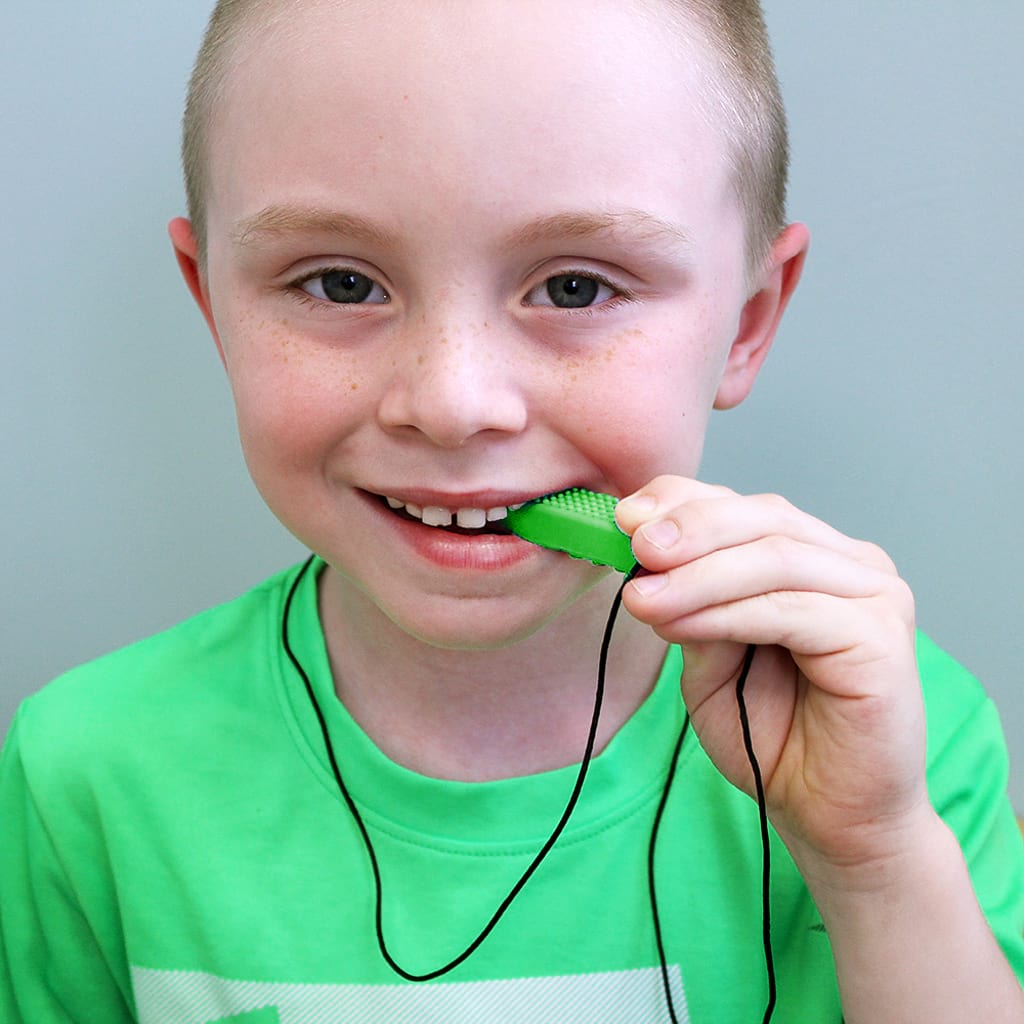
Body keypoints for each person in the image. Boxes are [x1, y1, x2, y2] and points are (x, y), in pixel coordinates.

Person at [2, 0, 1022, 1020]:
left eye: (575, 288)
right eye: (341, 281)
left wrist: (877, 861)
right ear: (212, 302)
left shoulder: (893, 744)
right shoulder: (83, 773)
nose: (451, 404)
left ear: (748, 321)